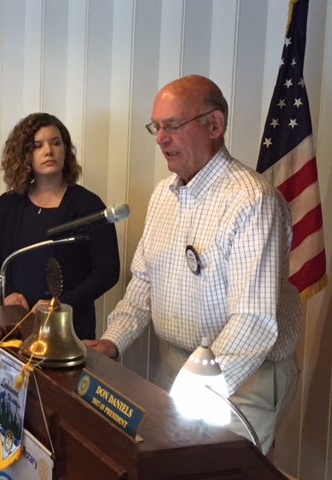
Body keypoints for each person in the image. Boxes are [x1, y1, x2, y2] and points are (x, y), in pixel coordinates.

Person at [84, 75, 301, 455]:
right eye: (156, 126)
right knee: (163, 464)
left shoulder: (252, 201)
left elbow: (254, 320)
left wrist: (194, 386)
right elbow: (145, 283)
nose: (160, 138)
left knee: (216, 469)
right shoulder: (163, 195)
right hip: (178, 365)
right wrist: (113, 340)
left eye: (173, 125)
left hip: (243, 375)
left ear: (214, 125)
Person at [0, 112, 120, 340]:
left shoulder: (88, 205)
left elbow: (108, 270)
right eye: (38, 145)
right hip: (13, 324)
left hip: (67, 328)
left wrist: (60, 305)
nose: (49, 151)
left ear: (66, 150)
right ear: (24, 154)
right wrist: (7, 293)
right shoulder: (8, 204)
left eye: (56, 143)